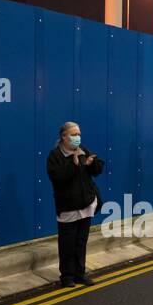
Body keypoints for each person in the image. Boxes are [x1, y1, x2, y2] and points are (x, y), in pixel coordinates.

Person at [46, 121, 104, 288]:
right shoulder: (55, 156)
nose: (77, 138)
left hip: (86, 204)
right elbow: (58, 178)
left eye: (78, 134)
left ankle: (80, 273)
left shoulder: (82, 150)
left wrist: (94, 164)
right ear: (64, 137)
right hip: (68, 207)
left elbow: (96, 171)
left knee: (81, 242)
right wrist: (75, 165)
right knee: (67, 244)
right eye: (73, 135)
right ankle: (67, 276)